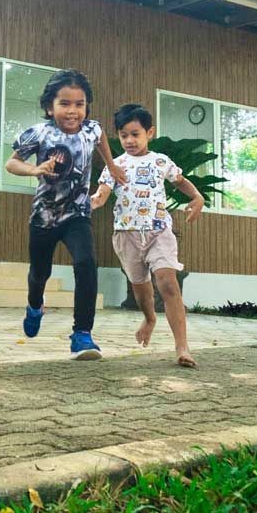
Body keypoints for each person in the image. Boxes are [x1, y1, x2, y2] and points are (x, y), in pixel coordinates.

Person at [6, 68, 127, 360]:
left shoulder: (92, 129)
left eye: (79, 104)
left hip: (77, 214)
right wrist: (34, 169)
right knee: (39, 274)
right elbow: (12, 163)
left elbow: (101, 141)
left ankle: (82, 335)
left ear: (86, 106)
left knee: (86, 263)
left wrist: (110, 165)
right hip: (43, 218)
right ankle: (35, 305)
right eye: (65, 104)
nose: (73, 111)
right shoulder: (39, 133)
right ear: (50, 107)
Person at [91, 103, 202, 368]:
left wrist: (197, 196)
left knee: (167, 283)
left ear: (149, 132)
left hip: (158, 230)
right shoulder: (115, 165)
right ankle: (150, 318)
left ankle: (182, 348)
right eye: (123, 135)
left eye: (135, 134)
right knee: (142, 290)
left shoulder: (160, 161)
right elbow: (104, 191)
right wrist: (96, 199)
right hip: (126, 235)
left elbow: (180, 180)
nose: (129, 140)